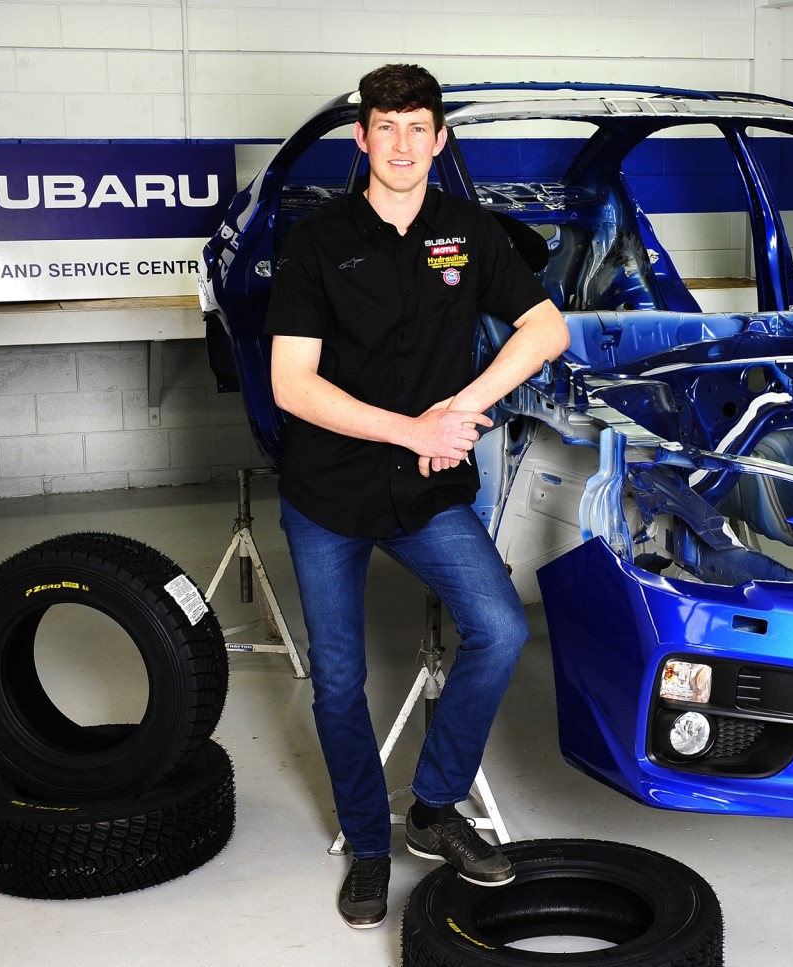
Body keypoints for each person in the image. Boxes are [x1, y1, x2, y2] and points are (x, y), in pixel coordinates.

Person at [264, 63, 569, 929]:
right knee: (337, 678)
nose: (400, 145)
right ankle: (367, 844)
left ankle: (433, 809)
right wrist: (411, 429)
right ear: (362, 140)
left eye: (417, 129)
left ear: (439, 141)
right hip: (327, 492)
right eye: (384, 128)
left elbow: (546, 328)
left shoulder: (469, 231)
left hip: (430, 488)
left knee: (502, 627)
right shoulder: (316, 242)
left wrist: (461, 408)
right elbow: (293, 384)